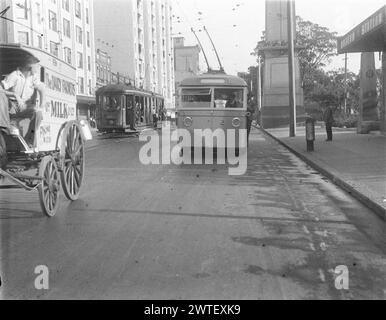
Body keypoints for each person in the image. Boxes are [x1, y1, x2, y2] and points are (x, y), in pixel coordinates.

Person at [0, 55, 45, 148]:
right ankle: (6, 126)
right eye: (36, 66)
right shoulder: (14, 75)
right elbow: (0, 89)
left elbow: (42, 88)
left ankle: (30, 142)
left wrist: (42, 105)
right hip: (12, 108)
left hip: (25, 107)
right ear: (29, 67)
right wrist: (15, 95)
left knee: (38, 113)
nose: (37, 69)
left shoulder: (33, 77)